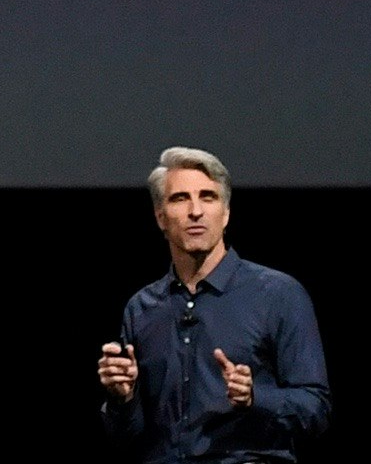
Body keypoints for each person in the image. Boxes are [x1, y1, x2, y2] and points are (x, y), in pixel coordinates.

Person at [96, 148, 331, 459]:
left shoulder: (278, 295)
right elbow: (127, 436)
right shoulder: (142, 308)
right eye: (180, 198)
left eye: (208, 197)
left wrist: (254, 398)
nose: (196, 211)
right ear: (161, 218)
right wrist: (121, 400)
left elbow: (316, 409)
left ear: (226, 213)